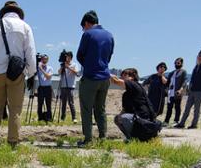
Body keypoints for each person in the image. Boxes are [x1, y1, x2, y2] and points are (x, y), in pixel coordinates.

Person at [0, 1, 37, 148]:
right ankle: (13, 141)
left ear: (4, 11)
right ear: (18, 12)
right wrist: (31, 73)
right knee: (15, 108)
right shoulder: (25, 26)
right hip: (17, 72)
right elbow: (30, 52)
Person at [76, 10, 114, 146]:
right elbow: (109, 56)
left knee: (86, 109)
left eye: (83, 27)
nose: (83, 30)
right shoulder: (109, 35)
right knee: (100, 108)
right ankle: (103, 137)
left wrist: (89, 66)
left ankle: (88, 139)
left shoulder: (88, 34)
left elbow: (79, 55)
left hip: (91, 77)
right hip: (105, 77)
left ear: (86, 23)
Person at [110, 68, 159, 142]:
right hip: (146, 122)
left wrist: (105, 72)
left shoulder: (133, 84)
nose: (122, 78)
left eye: (124, 76)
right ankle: (136, 136)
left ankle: (132, 138)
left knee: (120, 118)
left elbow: (116, 81)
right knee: (120, 117)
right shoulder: (134, 89)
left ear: (132, 77)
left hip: (143, 122)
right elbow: (124, 110)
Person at [175, 49, 201, 129]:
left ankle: (194, 125)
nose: (200, 57)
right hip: (192, 91)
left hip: (200, 91)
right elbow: (192, 79)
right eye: (199, 56)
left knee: (196, 109)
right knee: (187, 108)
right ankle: (181, 123)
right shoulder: (196, 67)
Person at [164, 58, 187, 126]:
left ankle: (176, 121)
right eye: (175, 63)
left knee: (177, 107)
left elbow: (184, 82)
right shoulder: (171, 73)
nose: (176, 64)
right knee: (169, 108)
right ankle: (166, 121)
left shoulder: (183, 72)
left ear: (181, 64)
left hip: (177, 92)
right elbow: (167, 82)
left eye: (178, 63)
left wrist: (181, 90)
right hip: (170, 93)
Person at [58, 51, 78, 122]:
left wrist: (68, 67)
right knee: (63, 103)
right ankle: (62, 117)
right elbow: (59, 73)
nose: (67, 58)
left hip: (70, 86)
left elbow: (76, 73)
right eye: (66, 56)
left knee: (71, 102)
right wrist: (63, 67)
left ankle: (74, 117)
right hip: (63, 85)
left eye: (69, 56)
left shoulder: (74, 64)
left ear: (71, 57)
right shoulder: (63, 64)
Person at [37, 55, 54, 122]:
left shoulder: (50, 68)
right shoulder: (38, 68)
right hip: (41, 87)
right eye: (43, 59)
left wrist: (41, 69)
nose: (44, 60)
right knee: (40, 103)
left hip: (48, 87)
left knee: (48, 104)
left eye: (46, 59)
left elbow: (48, 77)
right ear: (41, 60)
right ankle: (40, 118)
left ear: (47, 60)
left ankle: (49, 117)